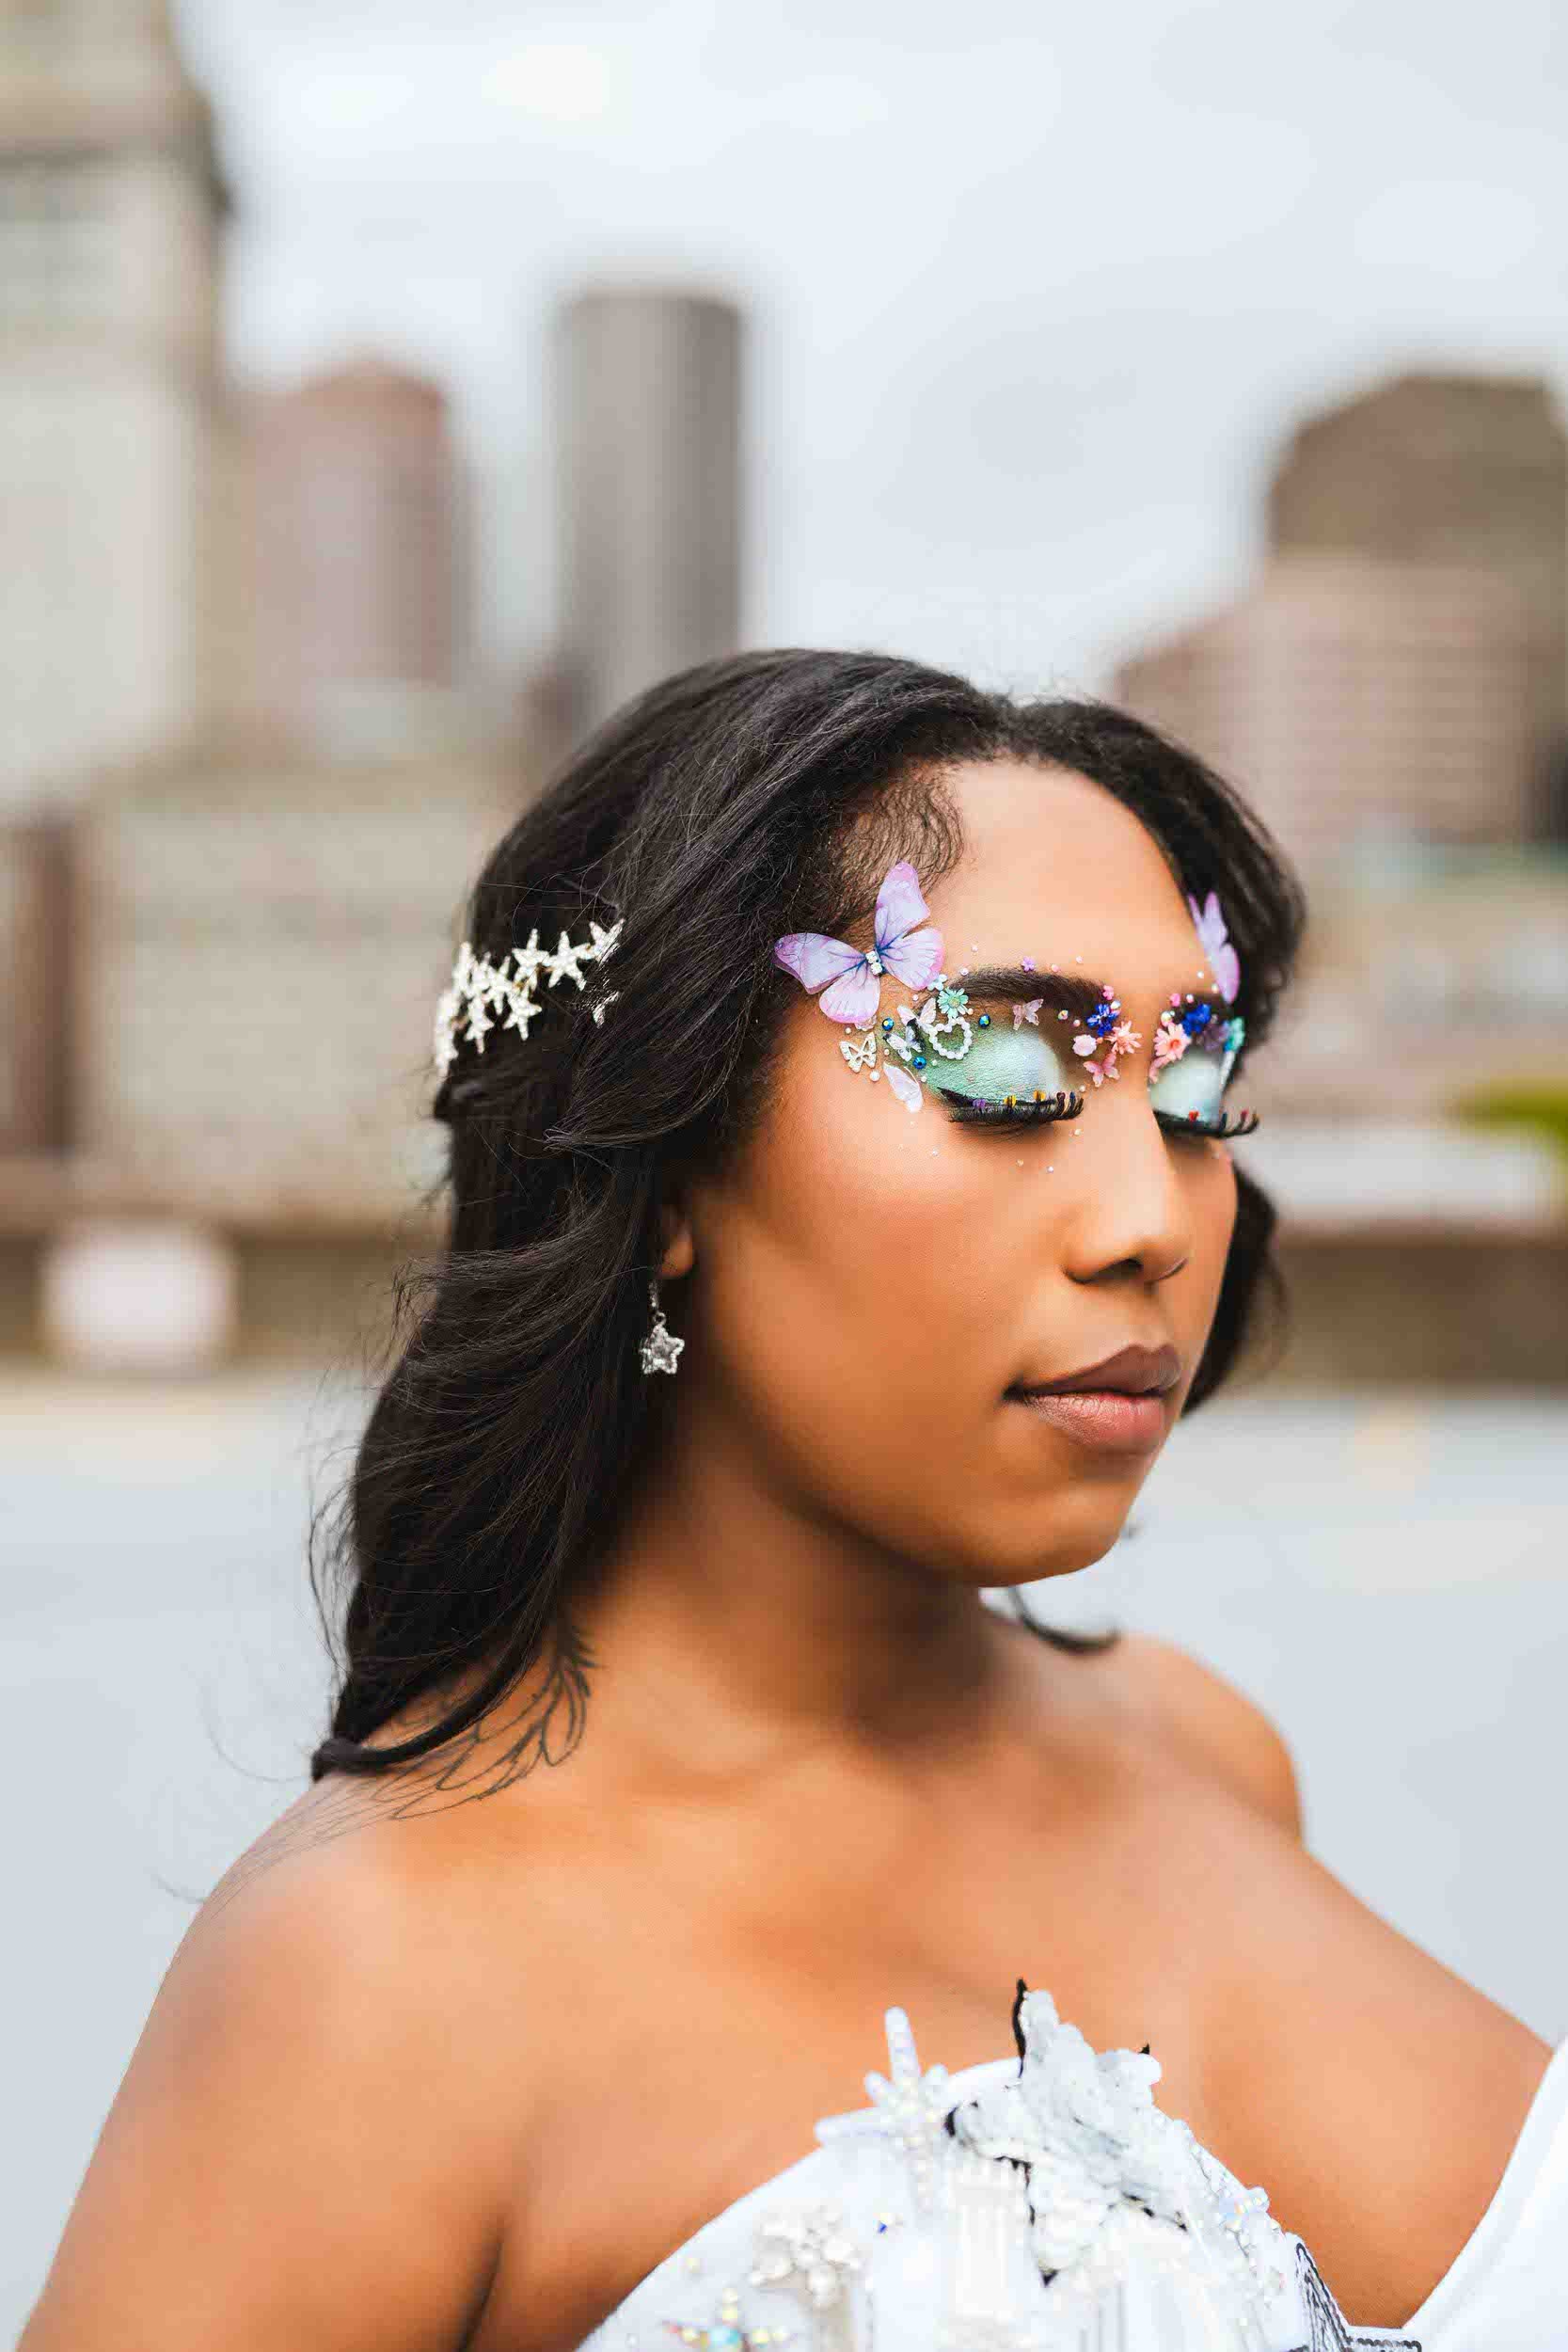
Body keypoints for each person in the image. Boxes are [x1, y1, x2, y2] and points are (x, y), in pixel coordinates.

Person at [23, 649, 1564, 2352]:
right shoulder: (378, 1971)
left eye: (1197, 1089)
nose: (1153, 1219)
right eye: (1001, 1072)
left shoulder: (1209, 1752)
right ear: (669, 1163)